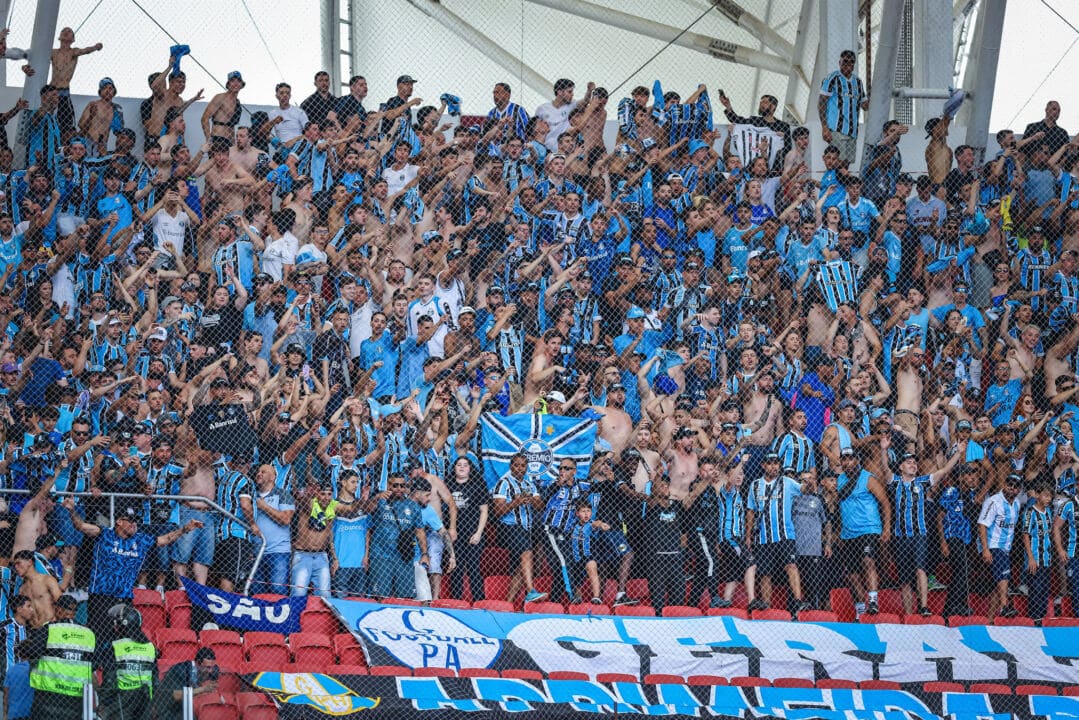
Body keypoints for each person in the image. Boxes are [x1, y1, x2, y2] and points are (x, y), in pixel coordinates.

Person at [62, 498, 202, 640]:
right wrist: (72, 510)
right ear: (119, 521)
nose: (133, 524)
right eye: (129, 520)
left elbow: (165, 539)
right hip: (101, 595)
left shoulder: (141, 540)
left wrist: (184, 529)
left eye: (135, 520)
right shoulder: (104, 534)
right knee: (98, 636)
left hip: (125, 597)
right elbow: (80, 526)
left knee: (125, 637)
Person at [17, 596, 95, 720]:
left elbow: (33, 651)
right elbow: (94, 661)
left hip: (49, 693)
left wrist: (24, 646)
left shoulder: (50, 629)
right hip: (76, 694)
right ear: (74, 612)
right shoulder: (89, 633)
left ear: (59, 609)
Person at [363, 471, 428, 599]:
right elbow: (365, 512)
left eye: (402, 486)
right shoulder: (380, 502)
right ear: (388, 485)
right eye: (395, 485)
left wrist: (425, 554)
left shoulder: (413, 506)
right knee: (379, 597)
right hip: (380, 556)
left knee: (405, 597)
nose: (399, 489)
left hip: (404, 557)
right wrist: (377, 498)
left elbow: (420, 531)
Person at [96, 604, 155, 720]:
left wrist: (104, 702)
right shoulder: (150, 647)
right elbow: (155, 677)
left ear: (122, 625)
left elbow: (110, 679)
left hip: (121, 701)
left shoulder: (116, 646)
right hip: (145, 701)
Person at [978, 473, 1023, 620]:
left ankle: (990, 620)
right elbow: (982, 525)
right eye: (1009, 484)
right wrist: (985, 549)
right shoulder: (993, 501)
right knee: (1004, 576)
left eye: (1016, 486)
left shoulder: (1017, 504)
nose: (1012, 488)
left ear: (1019, 490)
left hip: (1006, 548)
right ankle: (1004, 606)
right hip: (993, 546)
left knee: (996, 588)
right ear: (1004, 485)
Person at [818, 49, 868, 166]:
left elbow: (865, 106)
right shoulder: (832, 78)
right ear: (839, 62)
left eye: (851, 62)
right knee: (836, 163)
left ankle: (842, 184)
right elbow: (821, 102)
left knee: (846, 164)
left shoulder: (858, 82)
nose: (848, 64)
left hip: (852, 131)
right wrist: (824, 127)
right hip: (836, 129)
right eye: (845, 61)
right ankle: (832, 184)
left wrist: (876, 92)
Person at [153, 647, 219, 720]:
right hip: (168, 709)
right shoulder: (180, 670)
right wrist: (203, 689)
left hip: (183, 707)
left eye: (212, 667)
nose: (210, 671)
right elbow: (175, 695)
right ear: (198, 662)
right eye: (208, 667)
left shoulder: (202, 672)